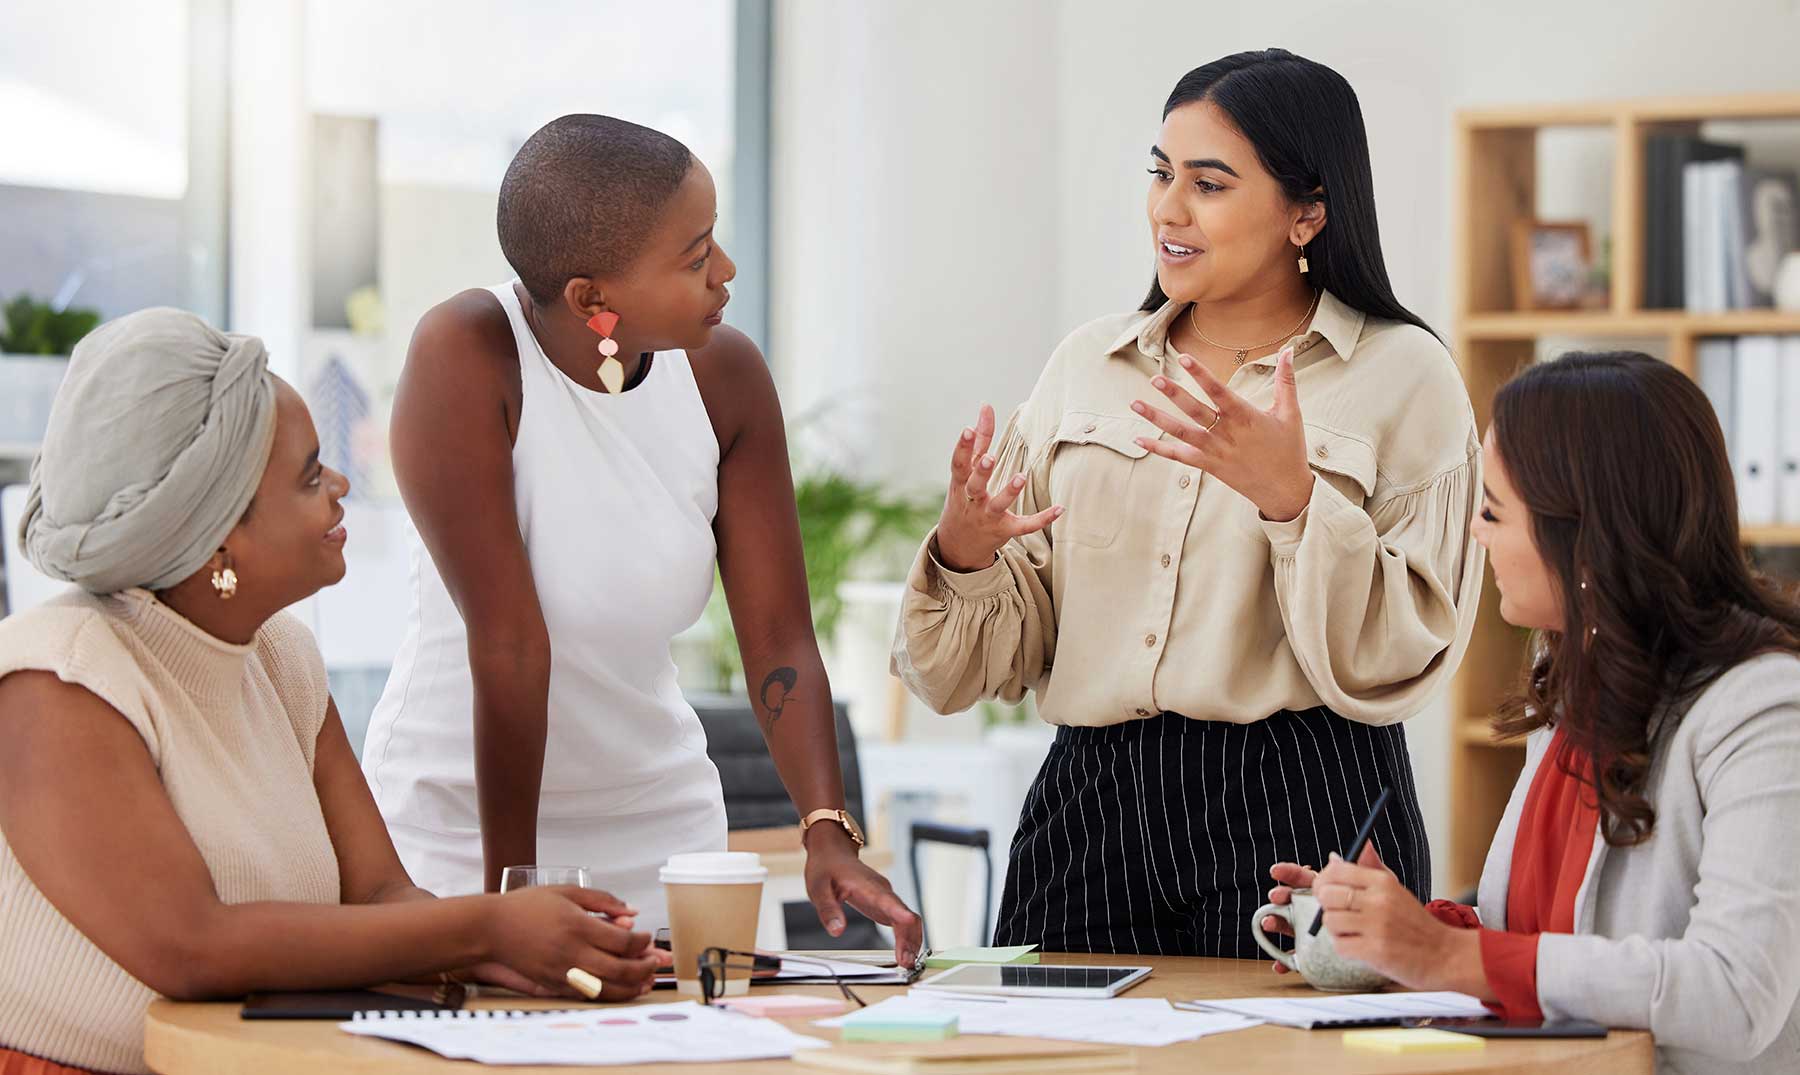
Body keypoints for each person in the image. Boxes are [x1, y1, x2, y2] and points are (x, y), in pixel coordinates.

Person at [894, 49, 1483, 957]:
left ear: (1308, 211)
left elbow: (1406, 648)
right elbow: (987, 663)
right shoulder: (1086, 365)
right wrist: (966, 554)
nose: (1168, 209)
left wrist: (1294, 501)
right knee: (1051, 1059)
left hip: (1304, 797)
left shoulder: (1404, 374)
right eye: (1161, 174)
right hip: (1090, 803)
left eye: (1208, 184)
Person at [0, 310, 662, 1075]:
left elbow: (379, 893)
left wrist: (516, 955)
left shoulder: (283, 659)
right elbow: (191, 945)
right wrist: (488, 928)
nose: (342, 487)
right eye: (312, 475)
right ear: (219, 538)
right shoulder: (59, 679)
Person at [359, 114, 919, 959]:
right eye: (696, 257)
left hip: (665, 835)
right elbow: (510, 645)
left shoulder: (724, 375)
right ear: (593, 298)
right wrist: (510, 899)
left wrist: (825, 830)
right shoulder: (470, 353)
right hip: (462, 832)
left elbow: (777, 635)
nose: (725, 271)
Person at [1265, 352, 1800, 1073]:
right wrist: (1393, 934)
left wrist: (1448, 954)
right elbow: (1539, 938)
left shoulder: (1762, 708)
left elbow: (1735, 994)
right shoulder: (1572, 677)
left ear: (1582, 535)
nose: (1477, 535)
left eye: (1492, 510)